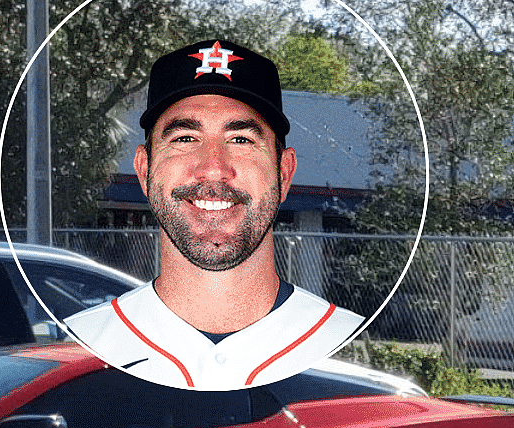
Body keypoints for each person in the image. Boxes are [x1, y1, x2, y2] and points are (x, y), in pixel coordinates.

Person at [64, 40, 363, 391]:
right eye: (186, 138)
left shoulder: (347, 347)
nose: (214, 170)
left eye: (240, 140)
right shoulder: (78, 347)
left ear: (283, 174)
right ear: (144, 171)